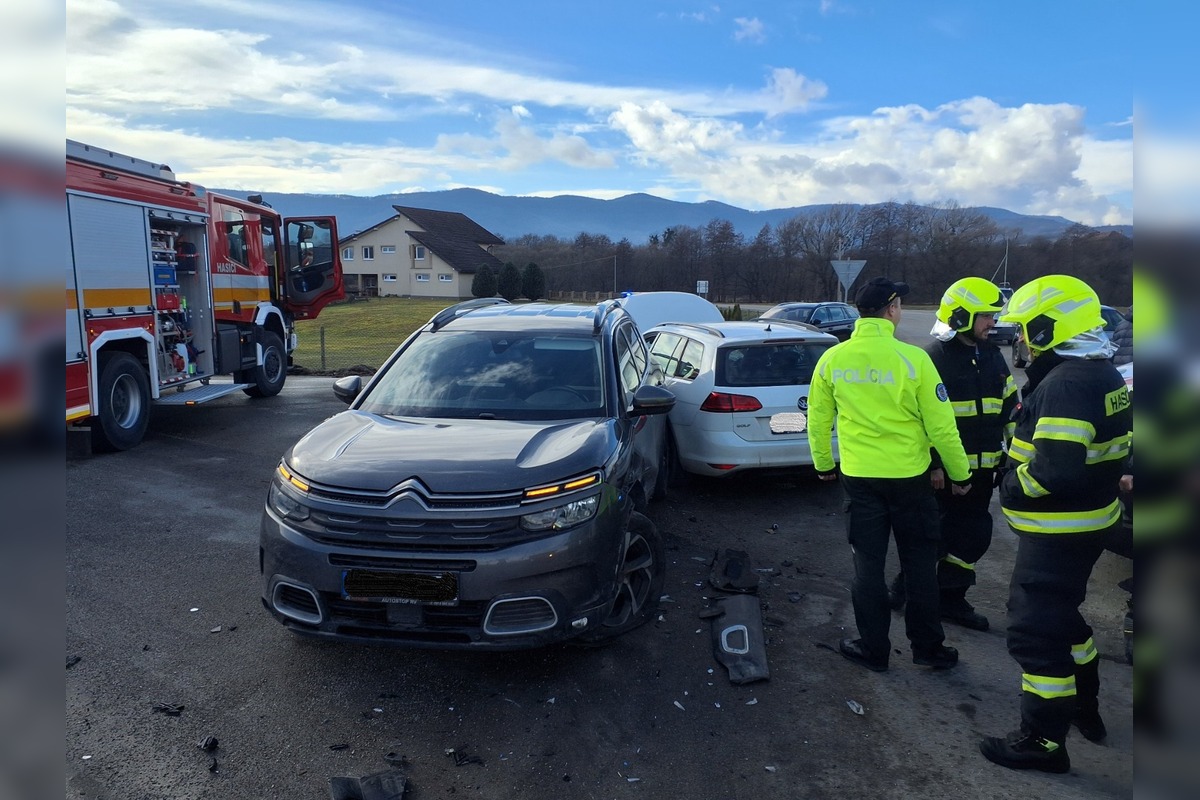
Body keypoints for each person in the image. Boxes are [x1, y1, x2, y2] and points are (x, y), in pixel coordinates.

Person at [979, 274, 1132, 774]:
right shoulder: (1101, 372)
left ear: (1048, 329)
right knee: (1062, 617)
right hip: (1086, 524)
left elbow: (1056, 470)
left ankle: (1043, 741)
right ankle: (1085, 705)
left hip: (1058, 533)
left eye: (1026, 329)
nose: (1021, 339)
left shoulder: (1067, 384)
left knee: (1034, 633)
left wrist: (1009, 487)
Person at [808, 276, 974, 673]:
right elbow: (942, 427)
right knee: (919, 568)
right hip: (910, 482)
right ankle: (929, 649)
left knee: (868, 568)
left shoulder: (833, 359)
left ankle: (874, 650)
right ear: (892, 310)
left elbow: (817, 421)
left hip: (861, 481)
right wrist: (959, 473)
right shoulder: (914, 360)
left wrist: (823, 465)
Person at [889, 278, 1017, 631]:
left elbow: (1010, 408)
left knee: (973, 537)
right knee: (934, 535)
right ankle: (906, 590)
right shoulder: (933, 358)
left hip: (983, 473)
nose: (993, 323)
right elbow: (917, 420)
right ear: (961, 316)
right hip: (942, 475)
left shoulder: (991, 355)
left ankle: (951, 599)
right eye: (986, 316)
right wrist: (934, 464)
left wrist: (1014, 455)